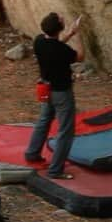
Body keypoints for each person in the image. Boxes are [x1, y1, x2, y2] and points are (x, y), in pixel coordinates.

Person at [24, 12, 84, 179]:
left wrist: (69, 34)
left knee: (43, 121)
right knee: (65, 130)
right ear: (58, 28)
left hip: (45, 89)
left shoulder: (39, 41)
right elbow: (79, 56)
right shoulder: (60, 49)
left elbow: (56, 47)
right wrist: (78, 36)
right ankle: (56, 170)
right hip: (61, 92)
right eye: (61, 19)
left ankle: (32, 153)